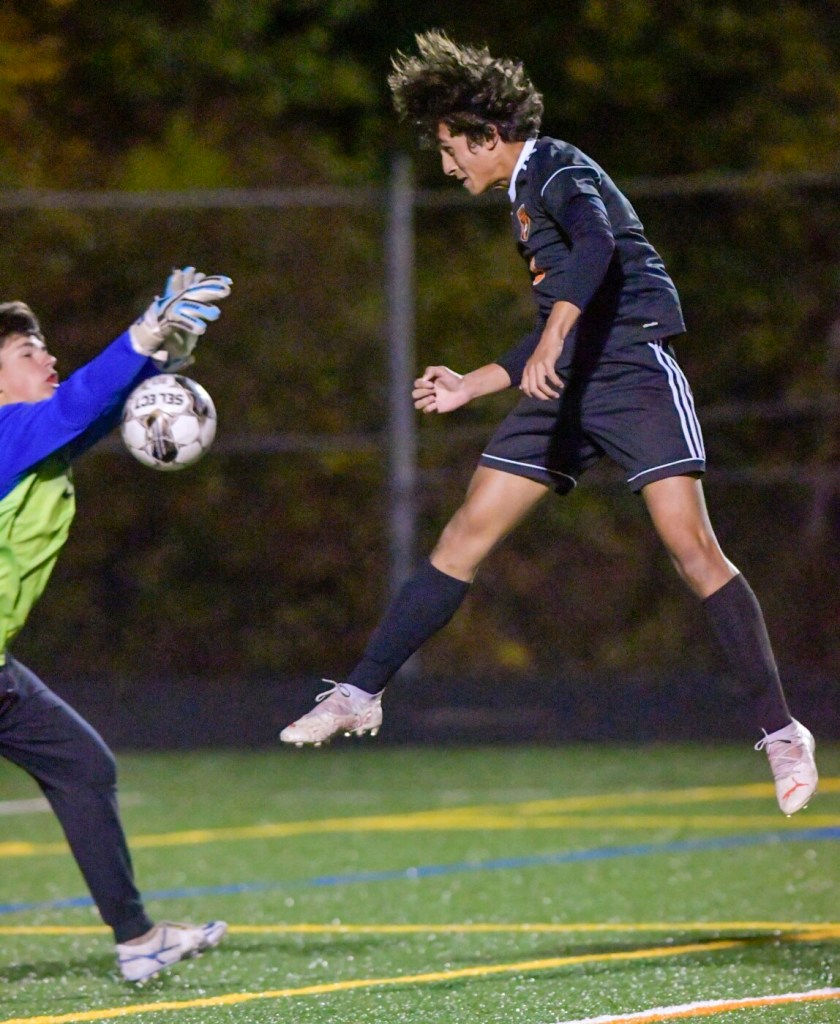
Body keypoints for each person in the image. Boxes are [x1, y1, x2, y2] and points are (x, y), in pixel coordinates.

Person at [280, 31, 818, 817]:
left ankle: (781, 732)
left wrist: (554, 338)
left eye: (450, 147)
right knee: (465, 533)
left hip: (630, 370)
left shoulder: (559, 168)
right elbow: (554, 318)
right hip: (564, 382)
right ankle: (361, 693)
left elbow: (597, 246)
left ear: (488, 135)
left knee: (690, 546)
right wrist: (474, 382)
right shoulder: (523, 197)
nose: (447, 164)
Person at [0, 268, 232, 982]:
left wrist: (162, 360)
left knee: (82, 765)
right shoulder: (6, 434)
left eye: (44, 346)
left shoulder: (33, 440)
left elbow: (93, 413)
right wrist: (141, 334)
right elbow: (78, 404)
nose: (48, 357)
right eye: (28, 352)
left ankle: (137, 940)